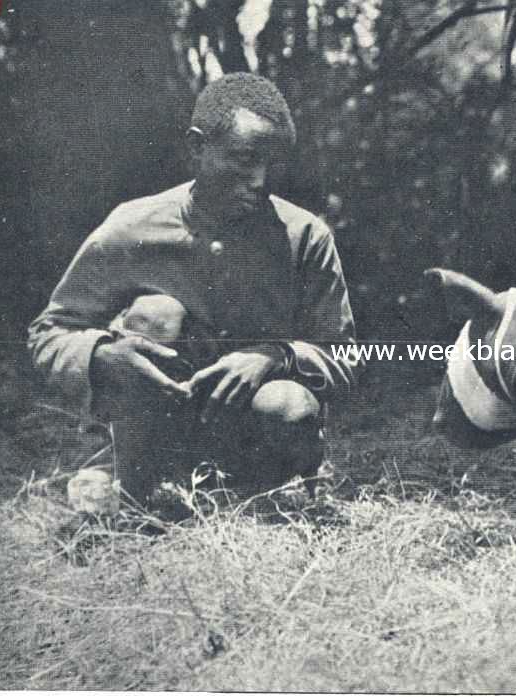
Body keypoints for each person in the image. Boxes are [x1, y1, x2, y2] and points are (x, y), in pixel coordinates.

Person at [28, 73, 361, 514]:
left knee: (290, 406)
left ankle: (249, 499)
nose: (260, 179)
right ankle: (135, 488)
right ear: (197, 146)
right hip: (154, 429)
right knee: (156, 314)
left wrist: (274, 356)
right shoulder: (133, 227)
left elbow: (345, 356)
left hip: (253, 435)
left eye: (273, 164)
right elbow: (50, 331)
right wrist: (102, 355)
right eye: (245, 159)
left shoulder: (304, 237)